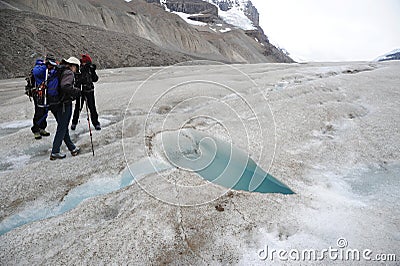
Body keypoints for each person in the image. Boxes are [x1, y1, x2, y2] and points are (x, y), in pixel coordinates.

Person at [49, 57, 82, 160]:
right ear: (73, 66)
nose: (76, 70)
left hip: (54, 103)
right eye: (76, 68)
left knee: (63, 127)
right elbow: (65, 86)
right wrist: (77, 91)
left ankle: (72, 148)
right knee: (62, 128)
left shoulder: (60, 70)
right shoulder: (68, 73)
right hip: (64, 104)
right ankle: (55, 151)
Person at [71, 53, 100, 130]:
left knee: (92, 107)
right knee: (78, 107)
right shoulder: (79, 69)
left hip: (89, 90)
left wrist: (93, 71)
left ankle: (96, 123)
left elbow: (95, 79)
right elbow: (77, 80)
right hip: (80, 91)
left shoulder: (90, 69)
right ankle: (74, 122)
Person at [30, 57, 57, 139]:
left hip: (45, 93)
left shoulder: (48, 69)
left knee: (45, 110)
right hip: (39, 94)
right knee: (39, 111)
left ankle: (42, 128)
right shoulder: (39, 68)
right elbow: (36, 73)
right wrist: (45, 66)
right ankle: (36, 129)